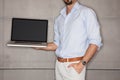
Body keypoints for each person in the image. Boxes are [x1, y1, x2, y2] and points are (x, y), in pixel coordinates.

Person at [33, 0, 102, 80]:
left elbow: (95, 42)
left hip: (74, 66)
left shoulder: (86, 13)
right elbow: (56, 45)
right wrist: (36, 45)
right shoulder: (59, 19)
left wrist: (81, 64)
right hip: (59, 66)